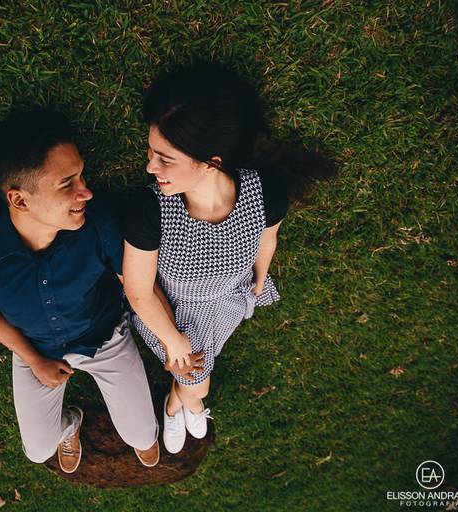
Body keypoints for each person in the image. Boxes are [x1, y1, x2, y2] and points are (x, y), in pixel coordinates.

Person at [122, 62, 334, 454]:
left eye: (165, 159)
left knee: (198, 368)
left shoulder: (264, 192)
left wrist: (258, 280)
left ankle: (175, 404)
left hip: (227, 299)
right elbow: (138, 291)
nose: (150, 167)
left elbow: (266, 241)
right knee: (197, 377)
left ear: (210, 162)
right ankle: (188, 403)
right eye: (151, 152)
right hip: (171, 311)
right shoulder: (149, 209)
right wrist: (175, 342)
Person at [0, 108, 160, 473]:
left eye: (81, 175)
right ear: (20, 200)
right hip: (34, 346)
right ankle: (70, 424)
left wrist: (172, 342)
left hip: (104, 335)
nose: (86, 191)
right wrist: (33, 358)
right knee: (38, 450)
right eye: (67, 183)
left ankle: (138, 431)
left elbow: (138, 290)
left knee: (143, 435)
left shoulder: (101, 222)